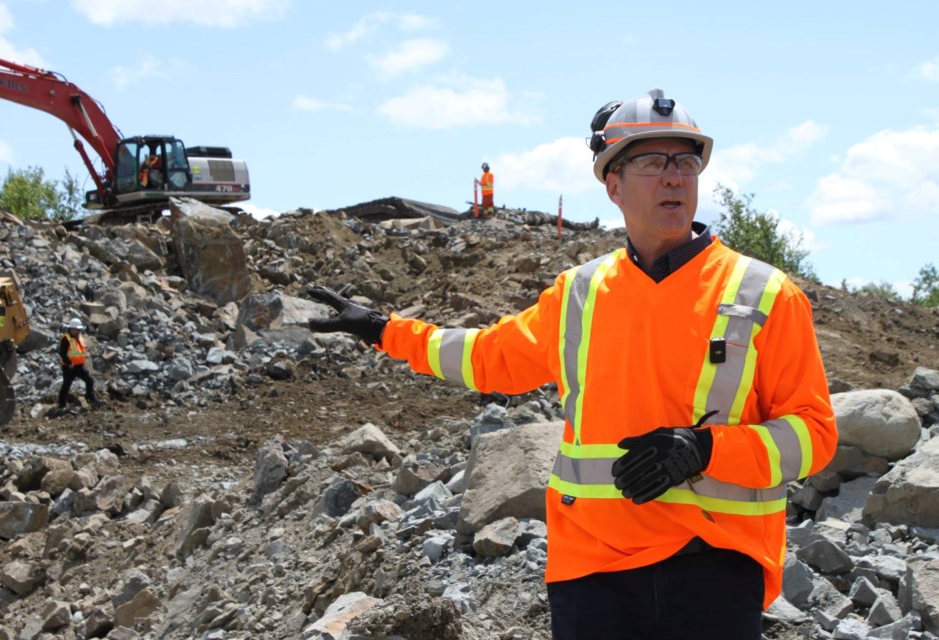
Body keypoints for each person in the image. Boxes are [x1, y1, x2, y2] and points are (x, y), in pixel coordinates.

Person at [306, 88, 837, 640]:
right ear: (613, 185)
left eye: (686, 161)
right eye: (654, 162)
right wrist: (384, 330)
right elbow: (489, 358)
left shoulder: (765, 294)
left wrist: (706, 449)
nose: (675, 177)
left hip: (715, 565)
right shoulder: (579, 294)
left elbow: (813, 436)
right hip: (593, 573)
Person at [57, 318, 104, 409]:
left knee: (89, 380)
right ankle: (61, 404)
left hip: (79, 366)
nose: (78, 331)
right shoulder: (66, 339)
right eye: (77, 329)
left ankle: (91, 399)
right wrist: (69, 363)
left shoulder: (78, 337)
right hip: (69, 367)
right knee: (66, 385)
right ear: (72, 329)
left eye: (79, 329)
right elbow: (62, 353)